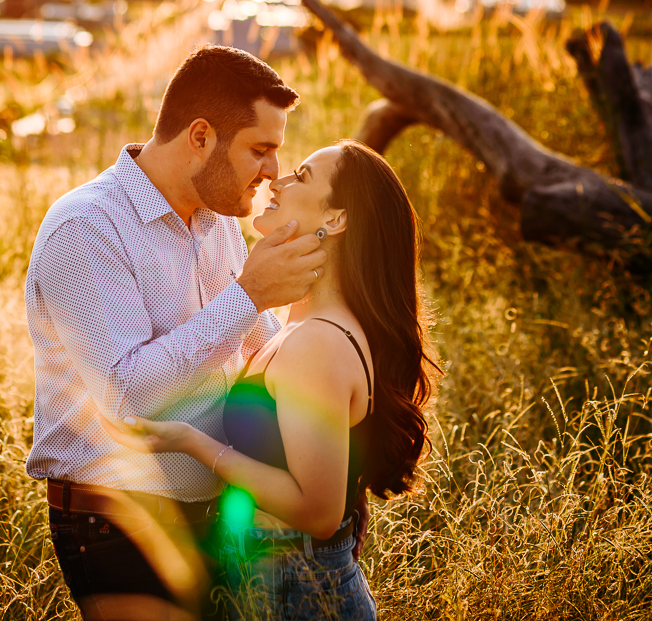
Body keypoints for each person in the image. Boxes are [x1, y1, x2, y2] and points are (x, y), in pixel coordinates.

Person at [25, 45, 330, 621]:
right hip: (119, 518)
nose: (271, 171)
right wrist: (249, 295)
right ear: (200, 137)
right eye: (260, 150)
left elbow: (257, 347)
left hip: (212, 507)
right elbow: (125, 396)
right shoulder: (86, 227)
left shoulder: (216, 219)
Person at [99, 139, 438, 621]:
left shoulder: (317, 342)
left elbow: (318, 514)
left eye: (301, 177)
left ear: (336, 220)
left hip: (300, 591)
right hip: (275, 582)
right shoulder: (301, 328)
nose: (277, 181)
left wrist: (192, 443)